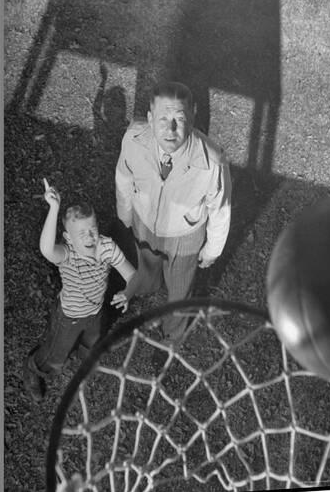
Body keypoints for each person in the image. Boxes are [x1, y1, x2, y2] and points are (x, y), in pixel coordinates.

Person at [115, 81, 232, 340]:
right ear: (149, 118)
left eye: (179, 118)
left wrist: (213, 249)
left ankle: (172, 337)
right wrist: (124, 211)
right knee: (147, 264)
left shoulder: (212, 161)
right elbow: (124, 176)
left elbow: (220, 208)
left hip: (185, 236)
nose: (170, 129)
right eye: (162, 118)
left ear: (193, 115)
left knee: (179, 292)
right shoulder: (134, 139)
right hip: (144, 221)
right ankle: (149, 283)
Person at [23, 179, 135, 401]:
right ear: (68, 238)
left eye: (92, 229)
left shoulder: (107, 247)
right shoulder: (67, 254)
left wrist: (128, 292)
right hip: (69, 317)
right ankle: (33, 369)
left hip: (95, 312)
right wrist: (54, 209)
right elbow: (46, 250)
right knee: (55, 356)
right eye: (81, 232)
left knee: (91, 342)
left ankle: (84, 358)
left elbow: (131, 274)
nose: (89, 236)